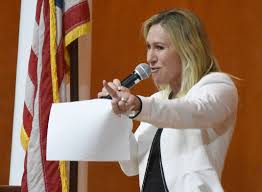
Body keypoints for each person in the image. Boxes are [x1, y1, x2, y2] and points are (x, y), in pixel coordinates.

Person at [98, 8, 238, 192]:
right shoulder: (158, 100)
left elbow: (193, 111)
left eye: (159, 47)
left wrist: (138, 105)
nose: (150, 58)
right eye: (148, 47)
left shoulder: (219, 86)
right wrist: (118, 114)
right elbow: (131, 165)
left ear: (187, 49)